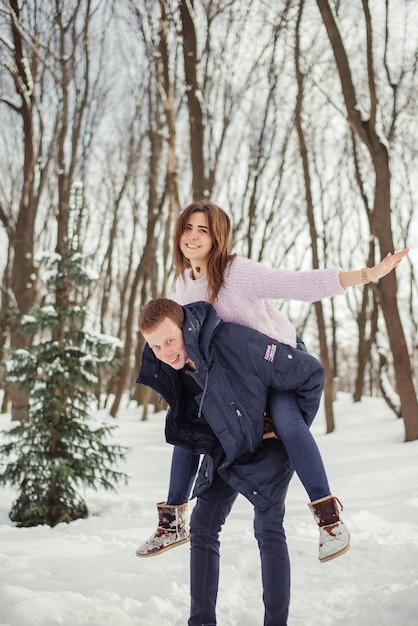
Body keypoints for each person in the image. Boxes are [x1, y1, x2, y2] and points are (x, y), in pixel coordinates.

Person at [135, 201, 408, 562]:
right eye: (188, 228)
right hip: (240, 382)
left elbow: (296, 284)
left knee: (287, 421)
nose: (193, 236)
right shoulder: (182, 288)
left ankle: (329, 522)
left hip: (278, 362)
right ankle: (172, 522)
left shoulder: (238, 272)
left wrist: (365, 274)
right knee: (184, 425)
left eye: (203, 229)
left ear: (217, 236)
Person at [137, 297, 330, 626]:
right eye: (156, 347)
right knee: (203, 526)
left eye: (170, 340)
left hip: (270, 444)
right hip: (227, 444)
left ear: (185, 327)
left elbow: (310, 373)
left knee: (268, 527)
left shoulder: (234, 340)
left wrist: (289, 424)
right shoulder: (176, 370)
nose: (166, 353)